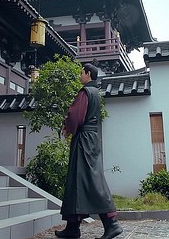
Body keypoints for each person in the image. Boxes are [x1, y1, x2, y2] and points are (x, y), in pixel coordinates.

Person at [56, 63, 123, 239]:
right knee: (78, 180)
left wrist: (67, 126)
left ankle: (111, 224)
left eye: (81, 73)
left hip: (83, 141)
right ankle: (72, 228)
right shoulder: (95, 93)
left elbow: (75, 116)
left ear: (88, 74)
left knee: (90, 180)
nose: (80, 76)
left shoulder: (85, 92)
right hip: (90, 139)